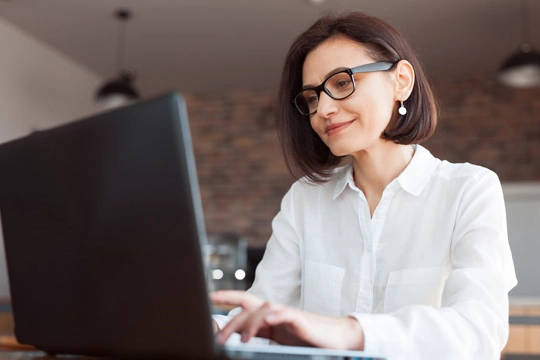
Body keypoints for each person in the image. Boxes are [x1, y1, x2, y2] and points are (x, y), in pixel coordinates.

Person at [210, 10, 517, 360]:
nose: (323, 109)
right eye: (311, 98)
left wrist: (347, 330)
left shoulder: (469, 190)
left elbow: (478, 331)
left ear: (401, 81)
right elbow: (259, 315)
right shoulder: (305, 200)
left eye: (342, 83)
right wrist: (209, 328)